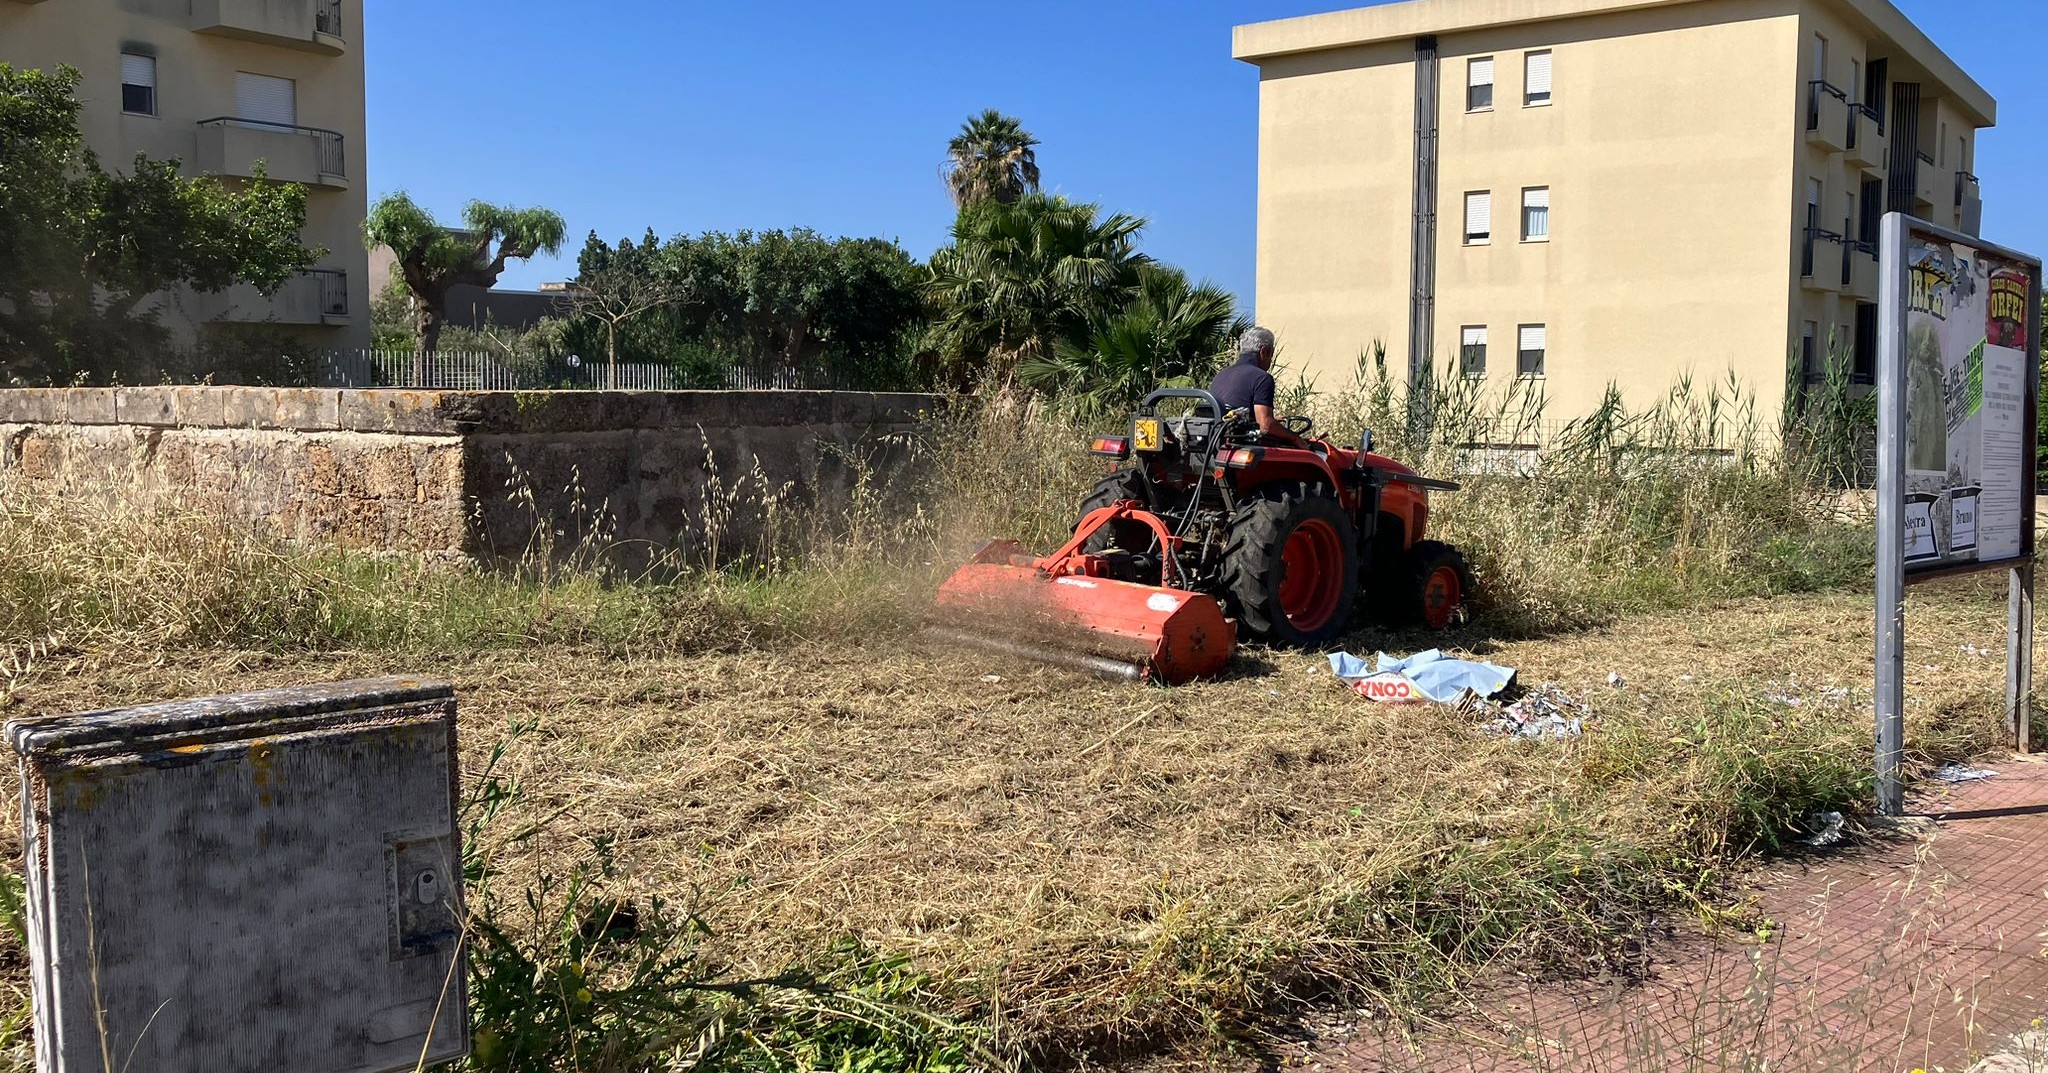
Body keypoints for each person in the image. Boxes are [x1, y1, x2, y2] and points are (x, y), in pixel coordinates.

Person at [1207, 326, 1308, 448]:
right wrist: (1296, 438)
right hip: (1238, 446)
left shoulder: (1221, 375)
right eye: (1271, 354)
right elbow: (1265, 425)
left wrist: (1271, 422)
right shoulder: (1262, 378)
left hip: (1214, 443)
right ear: (1264, 351)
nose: (1270, 360)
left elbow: (1233, 412)